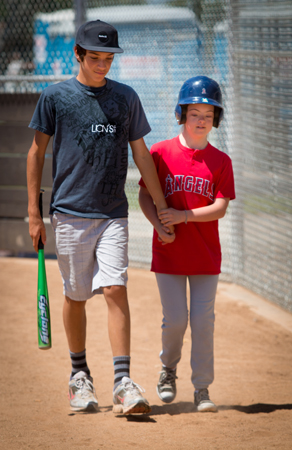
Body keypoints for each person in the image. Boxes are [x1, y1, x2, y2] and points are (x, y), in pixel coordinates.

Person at [27, 19, 174, 415]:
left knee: (114, 289)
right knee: (76, 297)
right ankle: (79, 375)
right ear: (78, 54)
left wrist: (161, 206)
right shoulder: (55, 97)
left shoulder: (125, 98)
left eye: (109, 58)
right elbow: (36, 153)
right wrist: (34, 215)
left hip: (113, 213)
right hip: (70, 213)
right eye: (95, 57)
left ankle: (123, 382)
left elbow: (141, 154)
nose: (103, 65)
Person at [139, 76, 235, 412]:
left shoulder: (221, 161)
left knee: (203, 322)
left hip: (206, 256)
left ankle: (202, 389)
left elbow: (220, 207)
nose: (201, 121)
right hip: (168, 251)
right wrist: (158, 224)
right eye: (194, 113)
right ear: (182, 114)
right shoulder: (161, 152)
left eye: (208, 115)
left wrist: (184, 216)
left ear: (216, 120)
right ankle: (168, 368)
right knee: (177, 319)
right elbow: (144, 194)